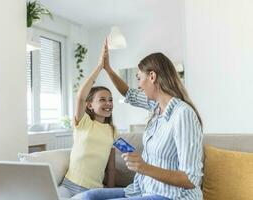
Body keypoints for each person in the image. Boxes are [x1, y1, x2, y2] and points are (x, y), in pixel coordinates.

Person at [82, 41, 203, 200]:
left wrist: (144, 167)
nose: (138, 86)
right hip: (143, 190)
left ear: (152, 76)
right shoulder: (156, 106)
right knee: (88, 197)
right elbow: (129, 94)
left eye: (139, 78)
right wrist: (107, 68)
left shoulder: (183, 114)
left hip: (171, 196)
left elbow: (190, 179)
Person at [58, 42, 118, 198]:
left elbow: (111, 167)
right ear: (90, 105)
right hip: (69, 184)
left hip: (94, 190)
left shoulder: (112, 130)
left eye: (110, 100)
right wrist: (100, 66)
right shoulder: (83, 122)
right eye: (103, 100)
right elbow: (80, 96)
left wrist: (110, 193)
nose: (108, 103)